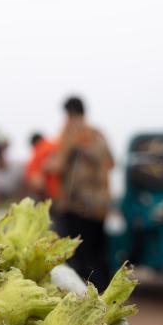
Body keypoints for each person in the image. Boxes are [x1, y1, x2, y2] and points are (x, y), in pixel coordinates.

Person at [47, 96, 115, 289]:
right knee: (99, 256)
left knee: (78, 260)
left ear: (69, 113)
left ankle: (86, 303)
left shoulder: (71, 134)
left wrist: (46, 166)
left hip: (77, 207)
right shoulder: (99, 134)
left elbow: (58, 166)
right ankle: (107, 298)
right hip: (100, 205)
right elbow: (111, 163)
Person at [24, 132, 60, 201]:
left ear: (33, 144)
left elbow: (37, 183)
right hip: (66, 193)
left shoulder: (33, 158)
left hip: (50, 197)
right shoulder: (56, 144)